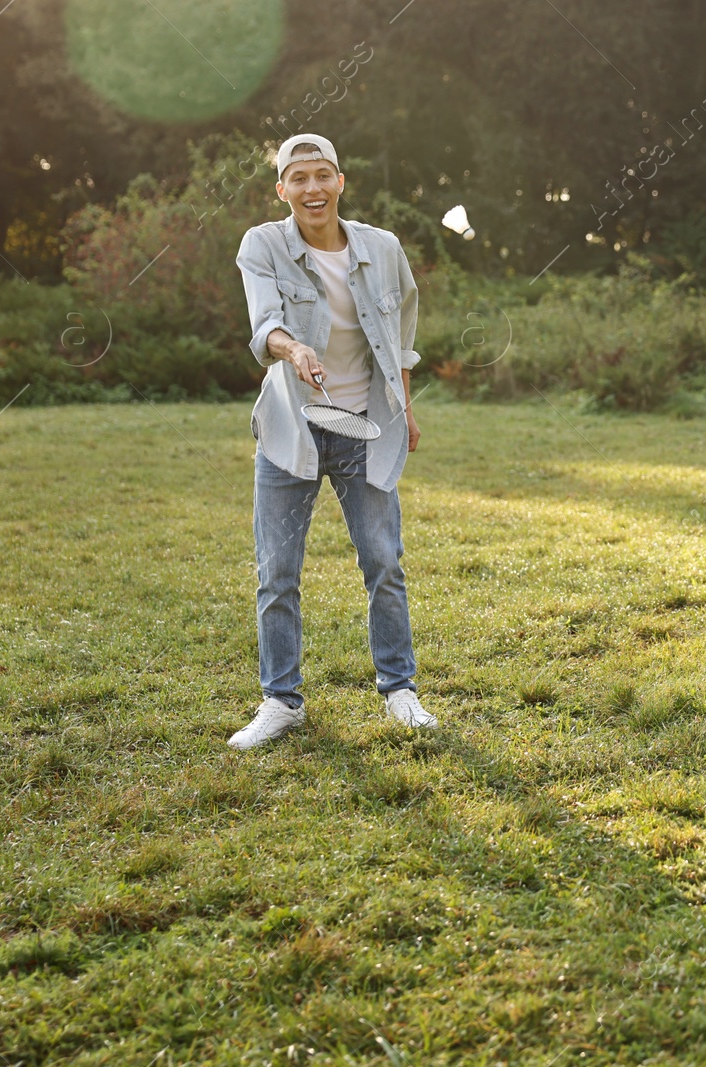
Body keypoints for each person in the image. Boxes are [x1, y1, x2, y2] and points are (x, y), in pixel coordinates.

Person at [229, 133, 434, 750]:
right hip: (294, 426)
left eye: (323, 175)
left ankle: (400, 690)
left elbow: (399, 330)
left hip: (366, 427)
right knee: (277, 573)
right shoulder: (262, 245)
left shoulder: (382, 247)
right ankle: (280, 700)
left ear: (340, 181)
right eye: (299, 179)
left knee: (384, 563)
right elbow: (265, 325)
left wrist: (405, 404)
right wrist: (294, 349)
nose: (312, 188)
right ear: (282, 190)